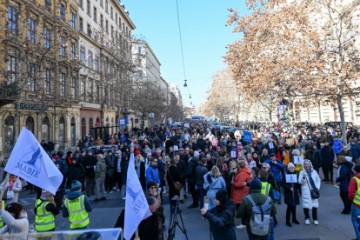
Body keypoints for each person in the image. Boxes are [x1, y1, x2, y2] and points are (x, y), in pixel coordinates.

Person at [298, 160, 321, 225]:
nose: (306, 165)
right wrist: (303, 178)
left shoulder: (314, 172)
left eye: (308, 164)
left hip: (314, 190)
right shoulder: (301, 172)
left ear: (310, 164)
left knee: (315, 205)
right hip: (306, 191)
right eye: (305, 164)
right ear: (303, 165)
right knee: (306, 205)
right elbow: (300, 182)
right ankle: (307, 218)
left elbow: (318, 180)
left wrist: (317, 188)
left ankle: (315, 219)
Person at [231, 160, 251, 230]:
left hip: (240, 193)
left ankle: (244, 223)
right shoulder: (244, 172)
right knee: (242, 208)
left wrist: (233, 183)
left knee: (241, 209)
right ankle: (244, 222)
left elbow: (240, 184)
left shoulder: (242, 173)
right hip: (242, 192)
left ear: (239, 166)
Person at [281, 163, 300, 227]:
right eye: (290, 168)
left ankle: (294, 219)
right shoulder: (285, 175)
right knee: (289, 207)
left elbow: (298, 184)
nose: (291, 169)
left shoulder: (296, 175)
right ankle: (287, 220)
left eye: (292, 168)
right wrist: (289, 188)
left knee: (294, 206)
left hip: (294, 193)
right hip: (288, 193)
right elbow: (283, 184)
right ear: (288, 168)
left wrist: (298, 189)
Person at [348, 164, 360, 240]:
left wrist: (351, 200)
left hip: (357, 204)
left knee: (355, 220)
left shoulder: (355, 179)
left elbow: (351, 192)